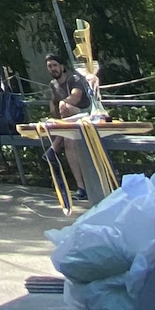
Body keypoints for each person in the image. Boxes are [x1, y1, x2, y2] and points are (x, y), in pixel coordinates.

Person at [44, 51, 96, 200]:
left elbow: (76, 96)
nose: (52, 68)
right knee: (68, 142)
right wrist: (52, 104)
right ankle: (81, 188)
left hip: (85, 115)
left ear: (62, 66)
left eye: (55, 65)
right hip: (70, 123)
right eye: (49, 66)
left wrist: (62, 103)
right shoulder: (53, 84)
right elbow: (54, 101)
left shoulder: (74, 78)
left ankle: (54, 147)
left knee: (66, 107)